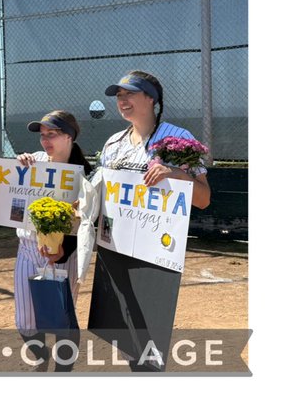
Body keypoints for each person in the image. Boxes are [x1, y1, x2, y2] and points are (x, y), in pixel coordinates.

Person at [88, 71, 210, 371]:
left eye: (129, 94)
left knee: (151, 341)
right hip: (116, 249)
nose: (122, 100)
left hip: (156, 254)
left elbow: (204, 198)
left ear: (151, 99)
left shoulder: (178, 138)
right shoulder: (113, 143)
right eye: (118, 96)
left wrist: (176, 175)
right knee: (127, 334)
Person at [14, 111, 100, 372]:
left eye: (52, 134)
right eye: (42, 135)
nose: (45, 141)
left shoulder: (86, 174)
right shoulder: (35, 163)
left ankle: (62, 374)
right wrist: (20, 162)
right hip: (29, 249)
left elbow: (86, 224)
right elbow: (12, 192)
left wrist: (64, 251)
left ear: (69, 137)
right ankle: (41, 358)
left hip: (66, 254)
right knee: (25, 321)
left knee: (62, 319)